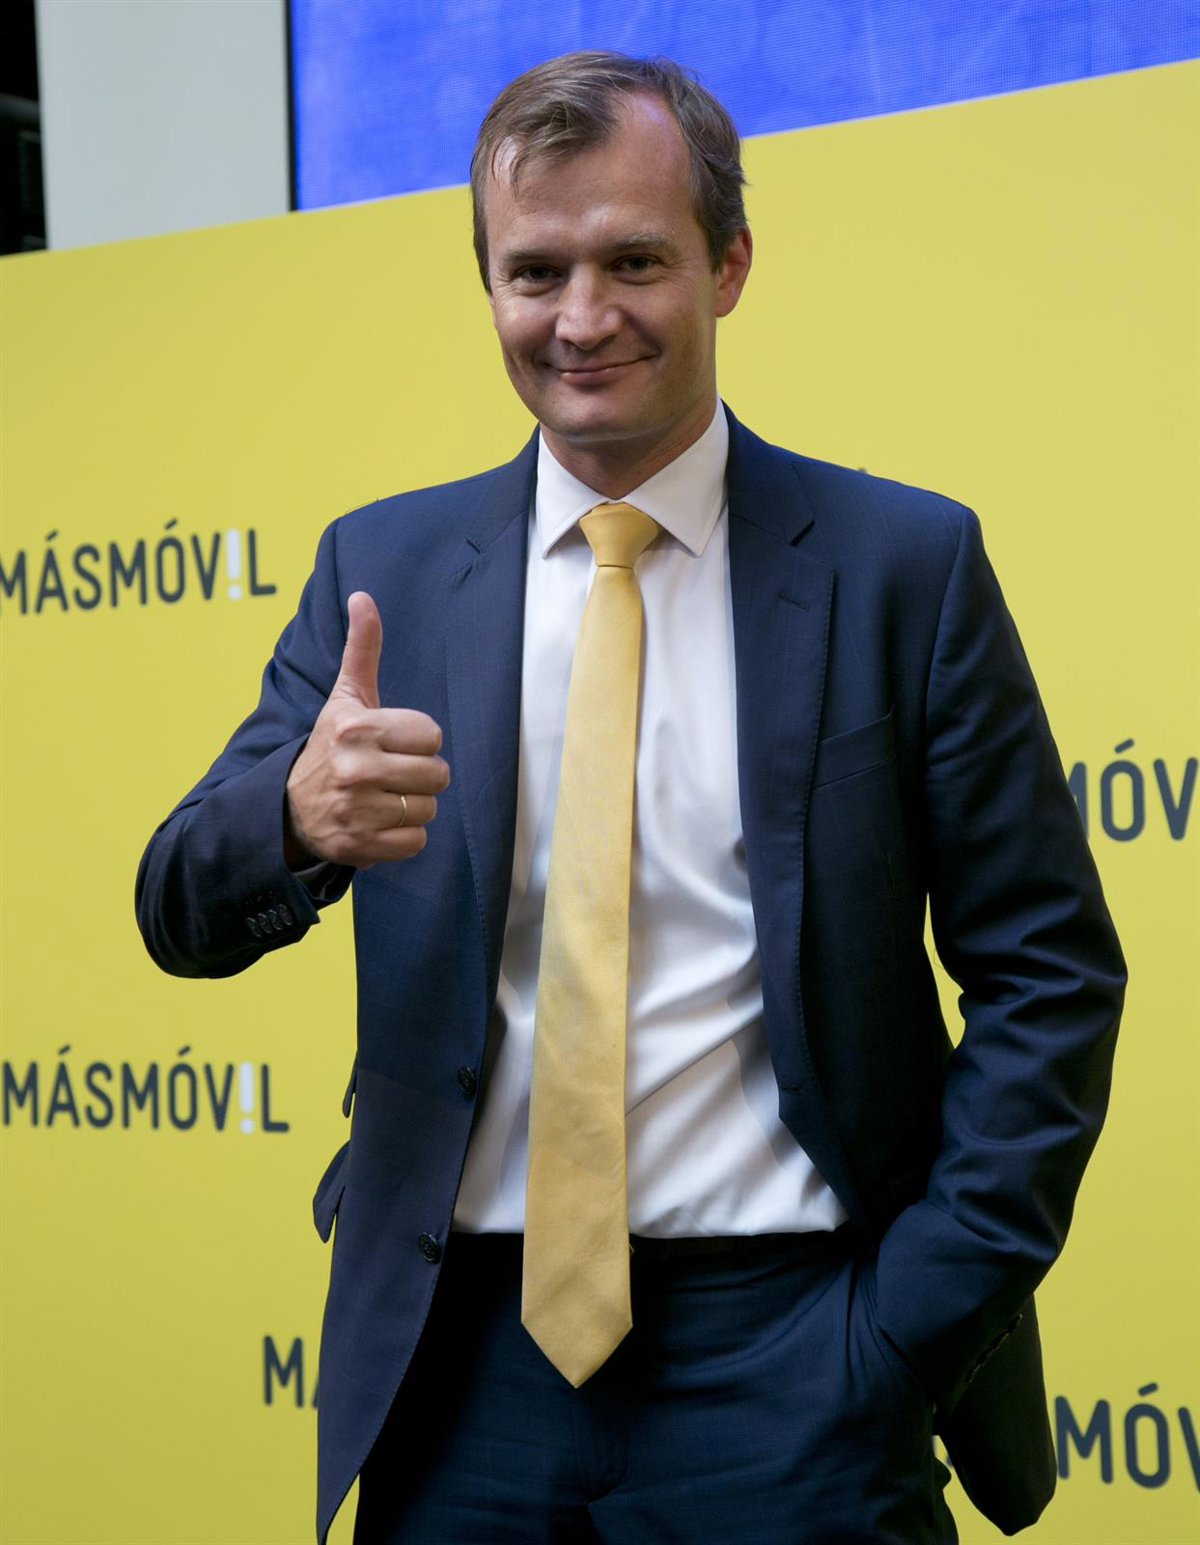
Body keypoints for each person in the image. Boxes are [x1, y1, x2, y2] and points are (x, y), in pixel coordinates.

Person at [136, 51, 1125, 1545]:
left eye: (635, 261)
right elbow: (175, 907)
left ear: (729, 266)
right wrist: (290, 817)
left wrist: (903, 1336)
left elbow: (1050, 973)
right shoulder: (382, 573)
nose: (582, 317)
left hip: (802, 1360)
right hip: (458, 1375)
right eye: (535, 271)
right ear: (488, 286)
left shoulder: (901, 569)